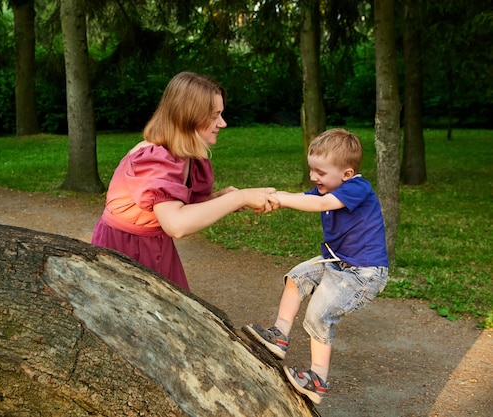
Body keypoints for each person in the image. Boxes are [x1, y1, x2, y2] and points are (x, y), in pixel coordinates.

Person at [91, 71, 279, 291]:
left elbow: (174, 208)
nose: (223, 123)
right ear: (189, 116)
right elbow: (176, 224)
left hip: (155, 246)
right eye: (214, 115)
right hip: (125, 250)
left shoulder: (183, 155)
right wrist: (239, 198)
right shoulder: (156, 158)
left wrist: (218, 199)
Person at [243, 128, 389, 404]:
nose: (313, 177)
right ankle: (279, 336)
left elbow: (320, 203)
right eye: (312, 170)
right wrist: (269, 197)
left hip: (363, 273)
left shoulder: (357, 187)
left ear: (346, 173)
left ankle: (317, 380)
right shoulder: (329, 187)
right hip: (338, 262)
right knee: (297, 277)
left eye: (320, 172)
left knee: (319, 314)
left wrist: (282, 199)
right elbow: (305, 196)